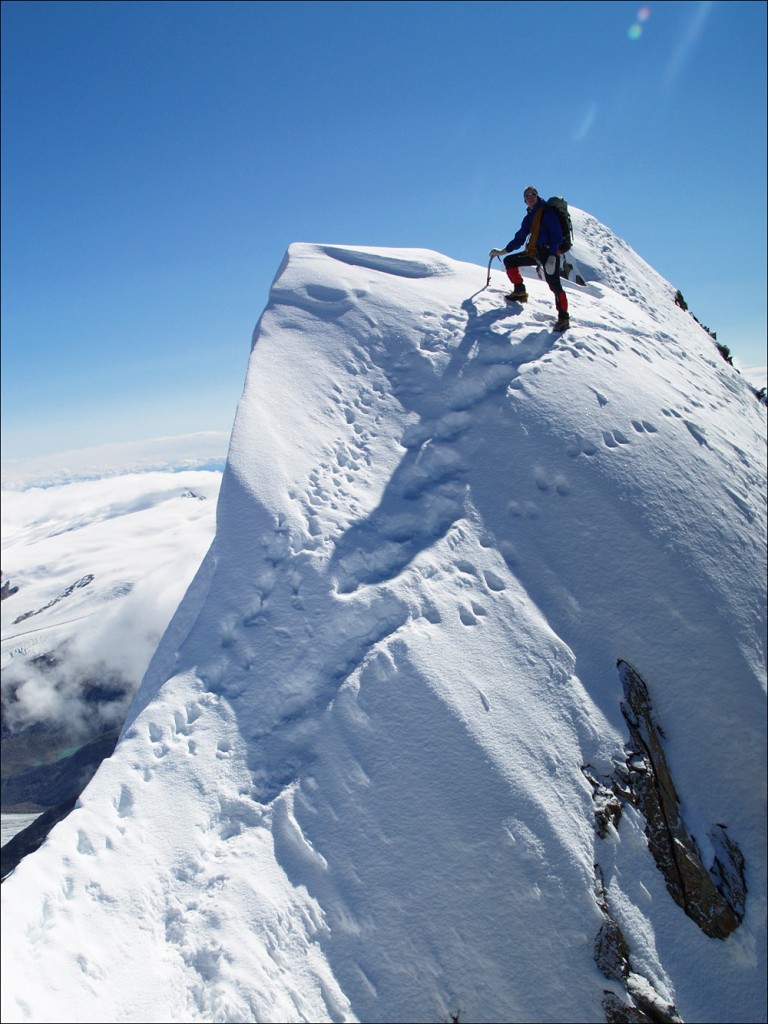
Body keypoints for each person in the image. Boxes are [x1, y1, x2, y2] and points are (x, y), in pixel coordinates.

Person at [489, 186, 570, 332]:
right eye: (527, 195)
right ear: (524, 200)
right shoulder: (529, 218)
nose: (531, 197)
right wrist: (503, 251)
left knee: (555, 285)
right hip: (535, 252)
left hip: (548, 252)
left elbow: (557, 235)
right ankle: (520, 291)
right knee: (510, 261)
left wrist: (552, 254)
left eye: (533, 194)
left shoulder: (547, 212)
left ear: (537, 196)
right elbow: (519, 238)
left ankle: (564, 318)